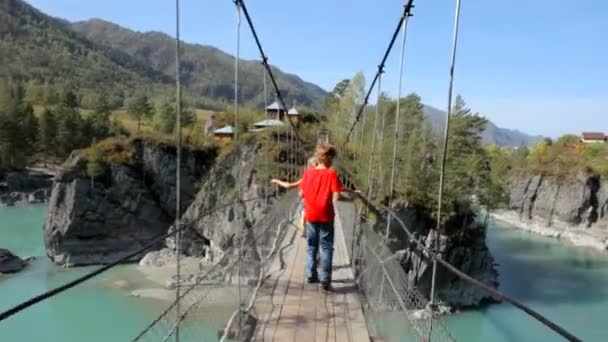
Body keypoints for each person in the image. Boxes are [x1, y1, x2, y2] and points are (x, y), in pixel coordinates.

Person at [299, 143, 346, 291]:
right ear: (330, 158)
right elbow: (337, 196)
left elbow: (301, 193)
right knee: (325, 246)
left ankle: (311, 275)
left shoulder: (307, 173)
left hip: (311, 214)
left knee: (311, 245)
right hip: (326, 215)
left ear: (317, 157)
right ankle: (325, 279)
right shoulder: (331, 173)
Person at [271, 157, 319, 238]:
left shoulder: (305, 178)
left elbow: (289, 186)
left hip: (308, 207)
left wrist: (276, 181)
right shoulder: (325, 176)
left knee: (304, 215)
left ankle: (304, 230)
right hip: (319, 210)